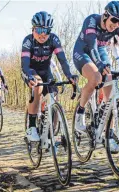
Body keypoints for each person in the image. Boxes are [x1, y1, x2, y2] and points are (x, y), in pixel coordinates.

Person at [72, 1, 119, 152]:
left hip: (100, 51)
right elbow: (92, 46)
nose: (116, 24)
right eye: (114, 20)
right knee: (95, 77)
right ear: (105, 15)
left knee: (111, 90)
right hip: (83, 51)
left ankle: (109, 135)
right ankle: (80, 112)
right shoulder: (91, 20)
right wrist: (99, 65)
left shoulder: (118, 28)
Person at [21, 11, 77, 142]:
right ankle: (32, 127)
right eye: (39, 29)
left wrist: (69, 75)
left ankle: (50, 130)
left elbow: (62, 60)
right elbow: (24, 64)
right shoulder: (28, 41)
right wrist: (29, 76)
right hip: (30, 70)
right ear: (33, 29)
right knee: (38, 87)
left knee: (54, 96)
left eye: (46, 31)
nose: (42, 34)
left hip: (46, 71)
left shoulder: (53, 39)